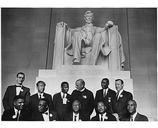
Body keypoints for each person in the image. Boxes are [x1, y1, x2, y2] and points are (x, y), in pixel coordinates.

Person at [53, 10, 125, 71]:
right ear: (85, 18)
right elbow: (70, 30)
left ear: (92, 18)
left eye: (90, 17)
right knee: (76, 34)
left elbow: (104, 29)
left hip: (92, 43)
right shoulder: (80, 28)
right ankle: (76, 59)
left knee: (98, 35)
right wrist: (64, 26)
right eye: (87, 17)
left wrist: (109, 24)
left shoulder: (95, 28)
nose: (89, 18)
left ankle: (92, 63)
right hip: (82, 43)